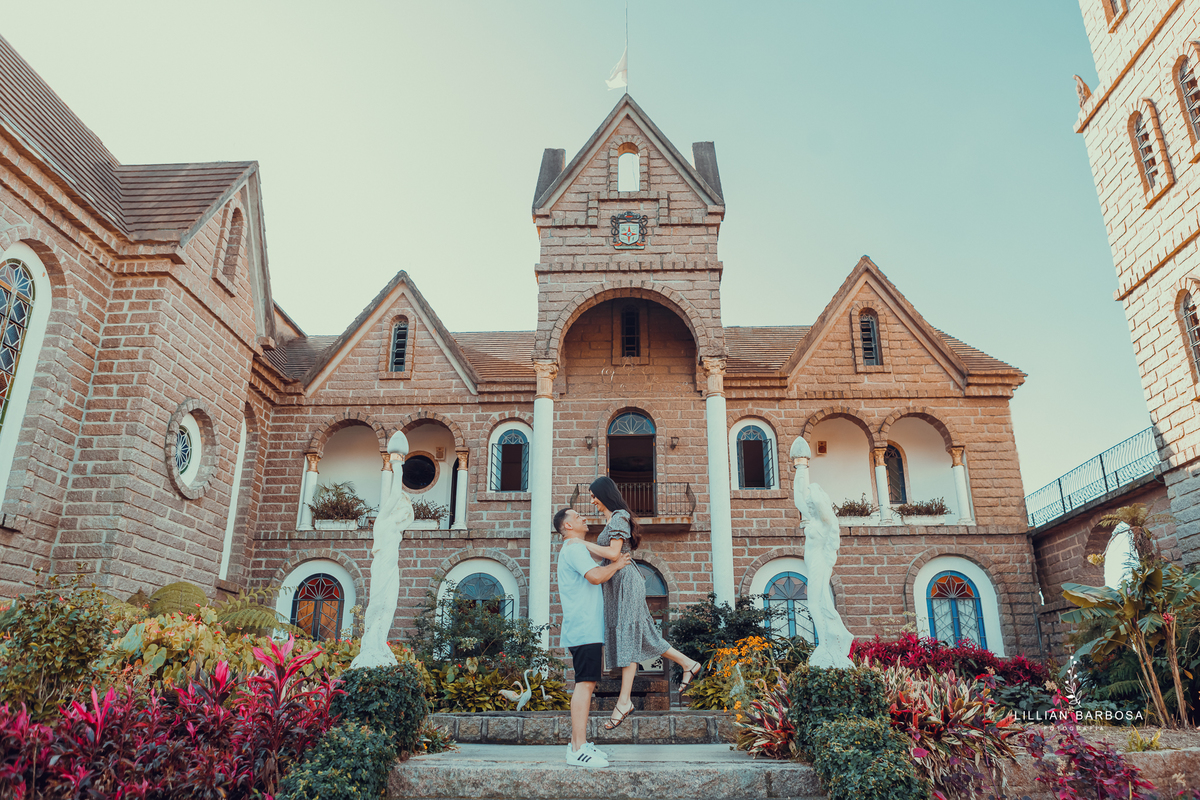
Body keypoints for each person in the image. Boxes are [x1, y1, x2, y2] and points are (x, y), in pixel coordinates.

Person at [581, 476, 703, 731]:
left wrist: (580, 542)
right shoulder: (612, 520)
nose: (592, 500)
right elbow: (608, 553)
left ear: (604, 494)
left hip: (625, 581)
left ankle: (623, 702)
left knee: (629, 635)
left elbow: (614, 554)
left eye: (594, 495)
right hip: (616, 582)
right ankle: (688, 663)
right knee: (641, 635)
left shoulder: (619, 516)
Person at [553, 506, 632, 768]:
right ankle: (577, 749)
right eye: (577, 517)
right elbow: (596, 576)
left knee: (586, 684)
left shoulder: (576, 548)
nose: (583, 518)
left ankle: (579, 744)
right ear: (567, 526)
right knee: (584, 685)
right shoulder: (574, 549)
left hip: (585, 629)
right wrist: (619, 563)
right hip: (584, 628)